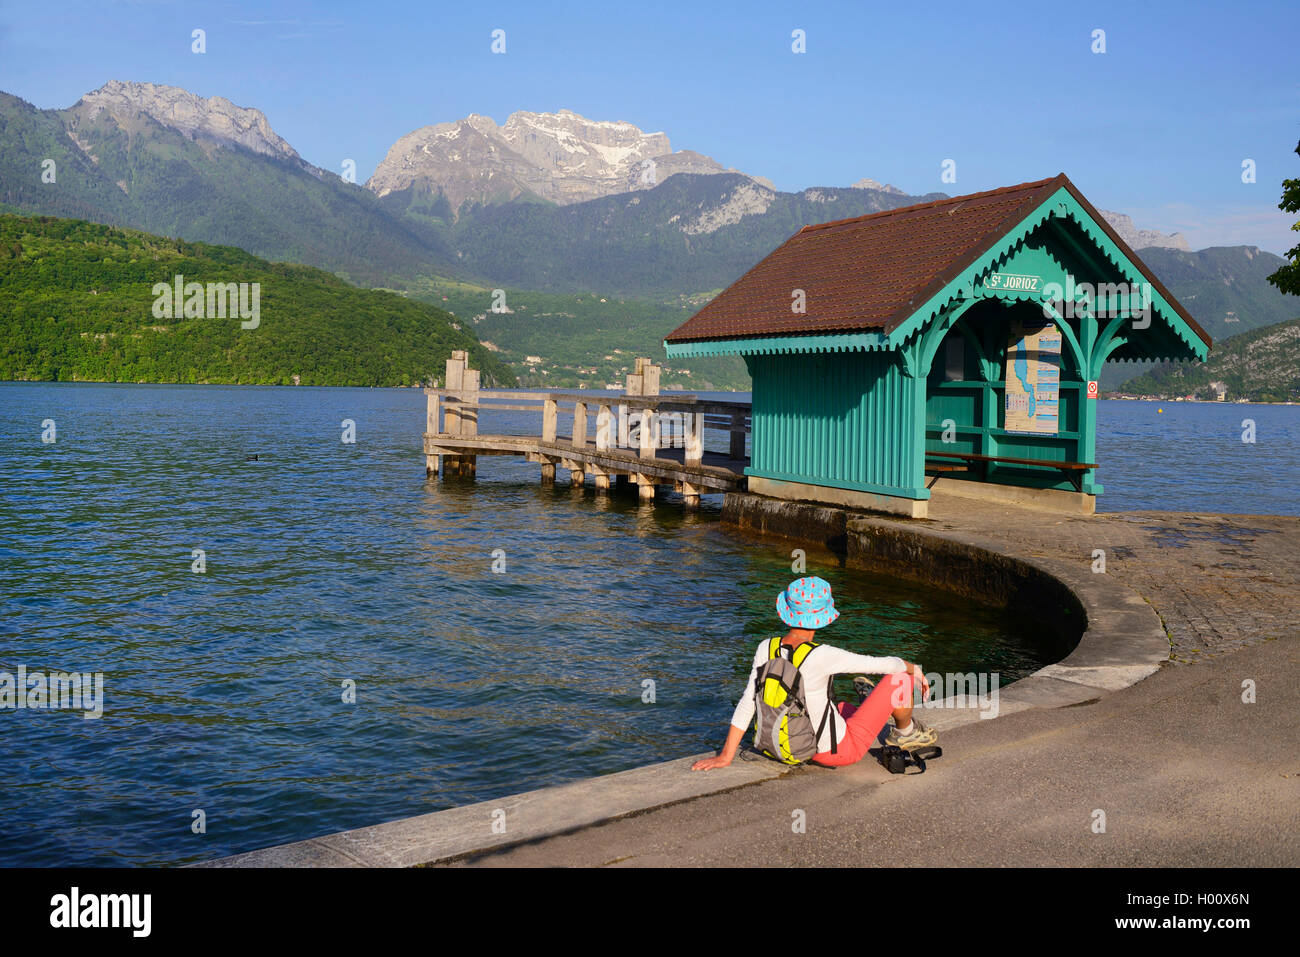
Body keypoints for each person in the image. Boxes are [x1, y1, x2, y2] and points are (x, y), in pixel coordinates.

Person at [692, 576, 937, 771]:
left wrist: (726, 756)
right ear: (823, 619)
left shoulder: (765, 647)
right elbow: (881, 664)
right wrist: (913, 668)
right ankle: (905, 732)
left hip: (783, 746)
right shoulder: (822, 655)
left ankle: (872, 701)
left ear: (785, 612)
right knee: (900, 679)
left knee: (840, 706)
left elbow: (748, 703)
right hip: (835, 752)